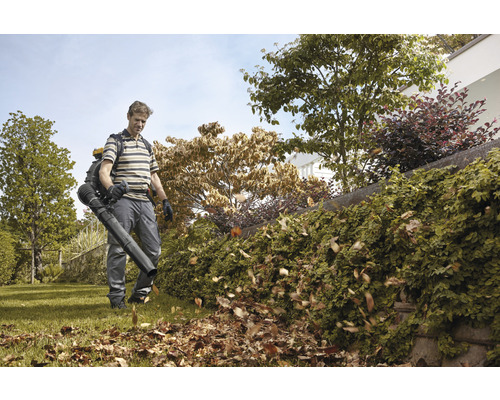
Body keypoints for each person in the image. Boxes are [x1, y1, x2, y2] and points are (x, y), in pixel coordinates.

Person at [99, 101, 173, 309]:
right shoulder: (115, 140)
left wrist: (165, 199)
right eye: (137, 120)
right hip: (123, 200)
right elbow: (104, 171)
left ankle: (140, 293)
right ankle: (116, 297)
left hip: (144, 201)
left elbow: (154, 176)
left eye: (144, 121)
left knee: (153, 250)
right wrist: (111, 188)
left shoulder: (147, 146)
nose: (140, 124)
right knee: (118, 248)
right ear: (128, 116)